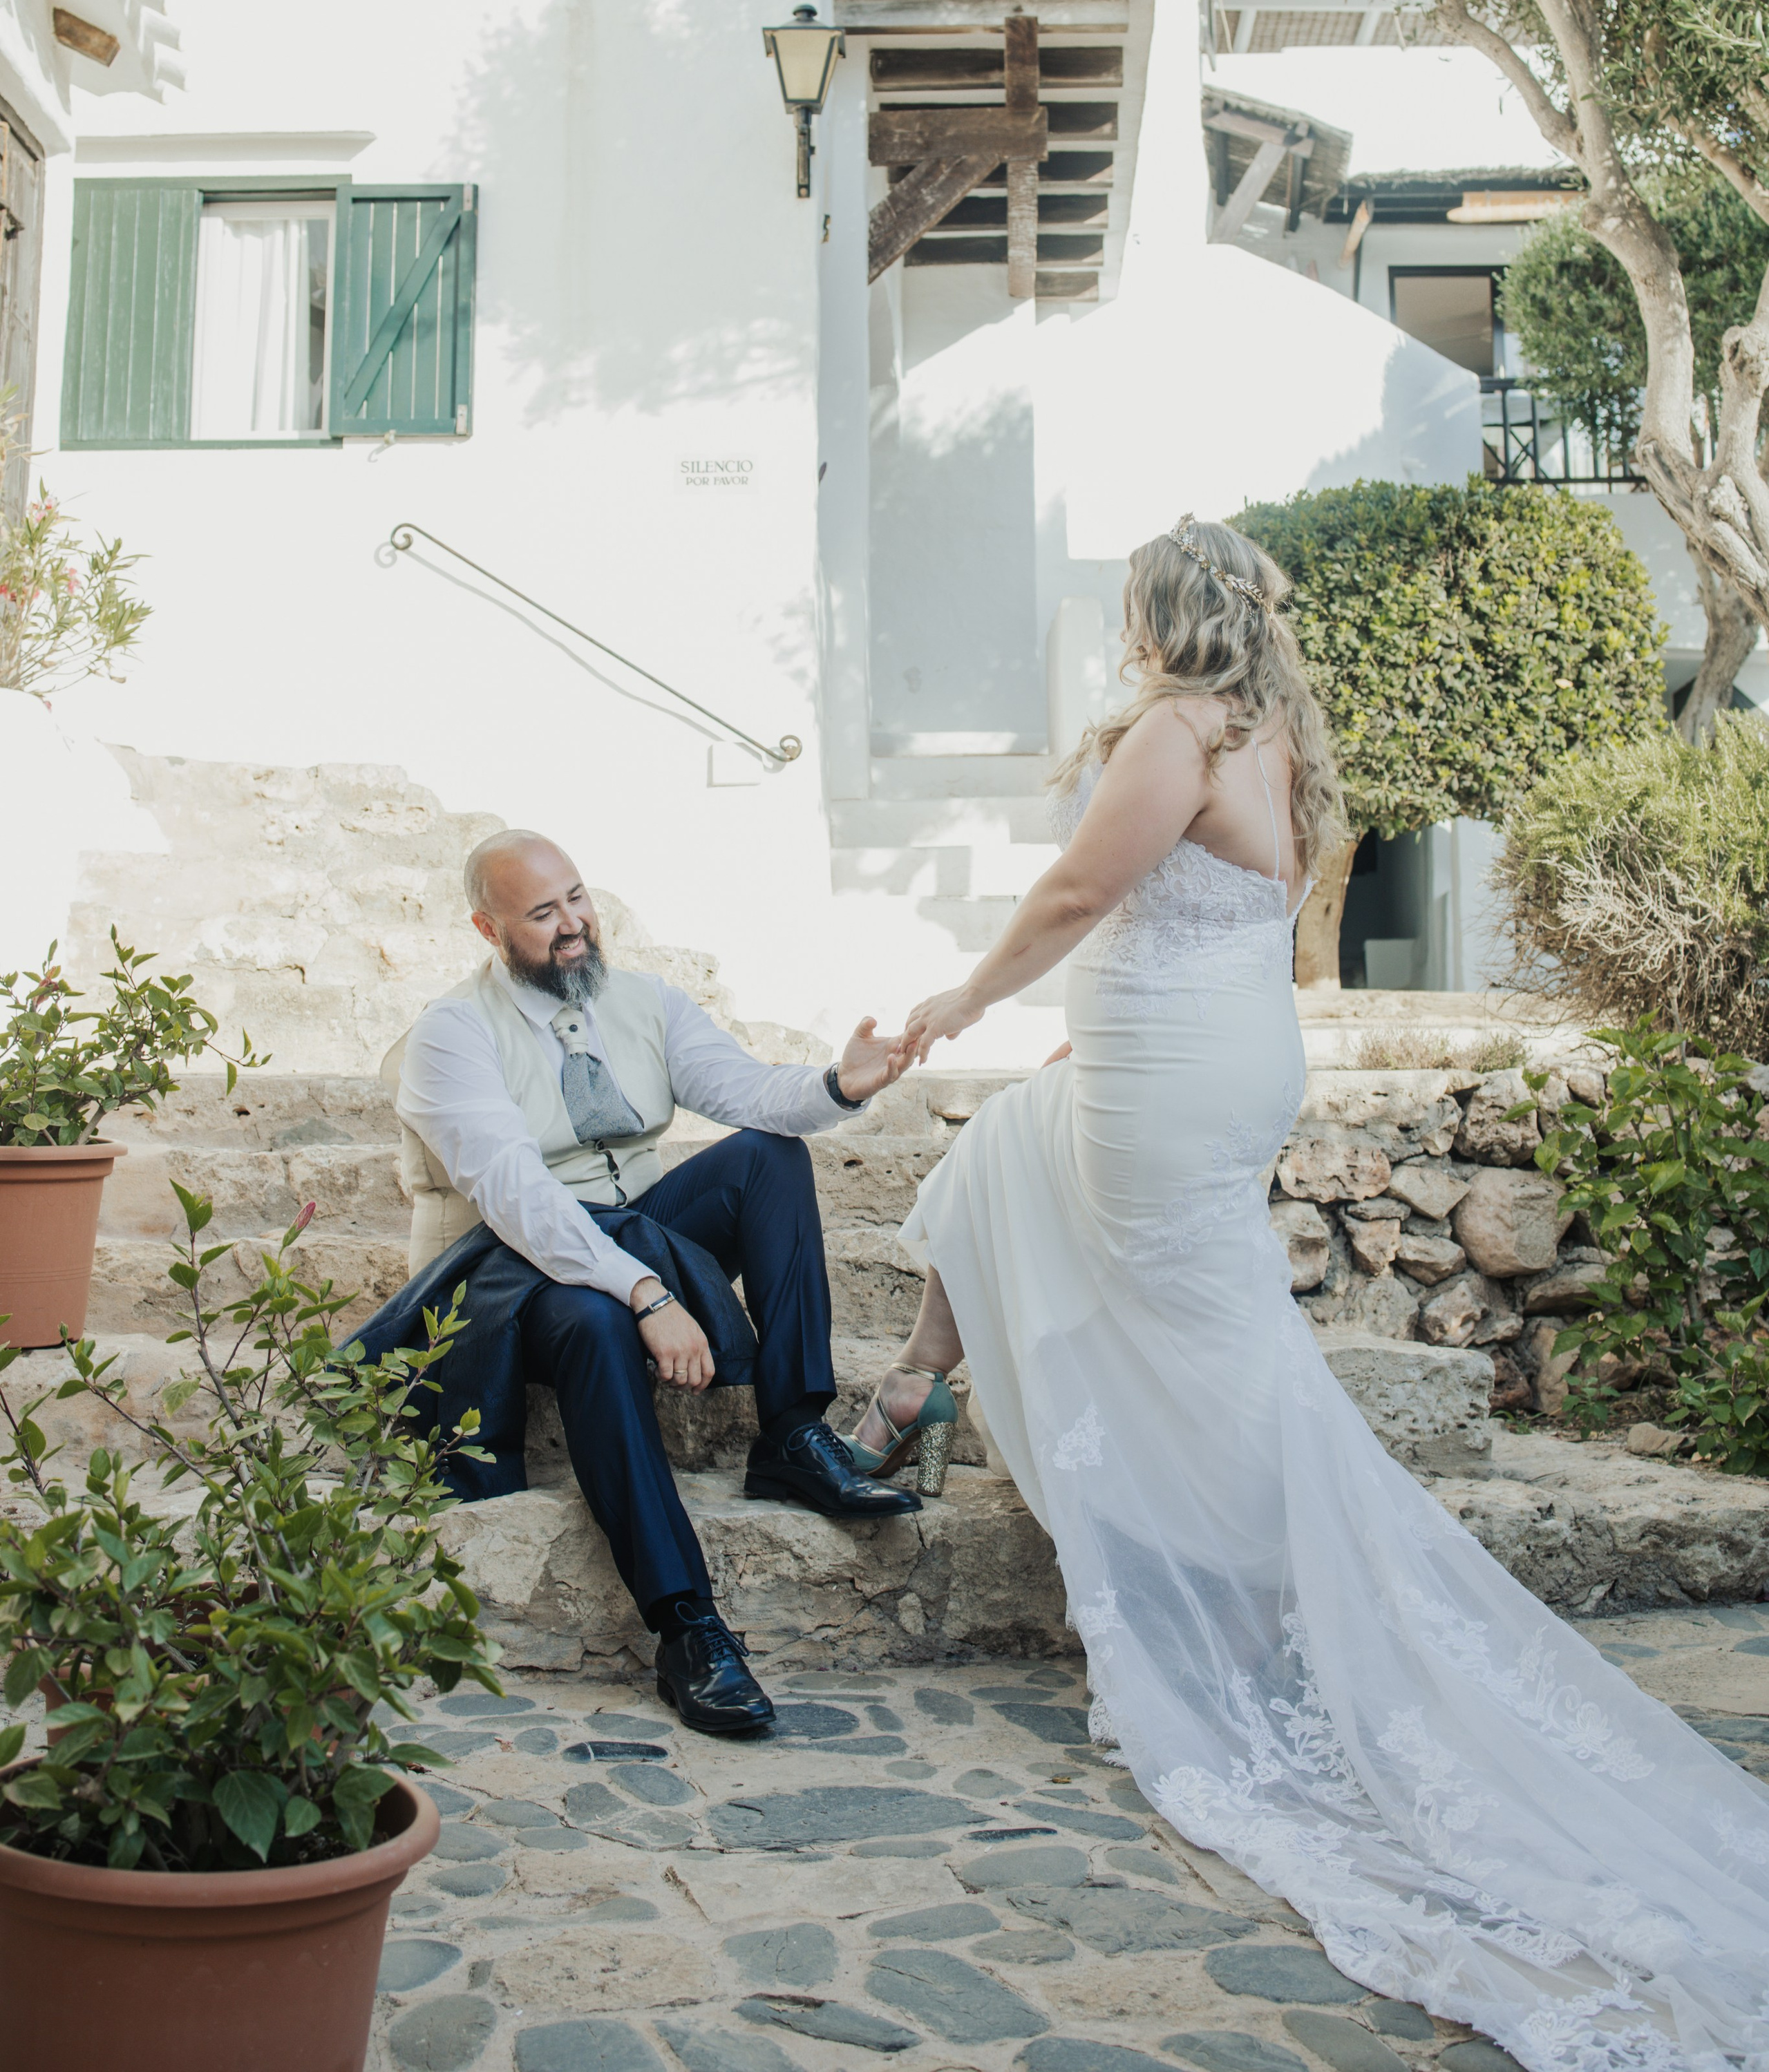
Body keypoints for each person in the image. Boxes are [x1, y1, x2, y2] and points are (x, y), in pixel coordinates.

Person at [846, 516, 1769, 2072]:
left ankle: (1278, 1595)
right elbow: (1200, 921)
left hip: (1176, 1074)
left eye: (1131, 606)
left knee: (1212, 1348)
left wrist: (953, 1000)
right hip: (1193, 1059)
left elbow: (1080, 894)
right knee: (1014, 1149)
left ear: (1158, 613)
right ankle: (914, 1384)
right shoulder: (1265, 725)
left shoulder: (1175, 727)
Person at [353, 831, 921, 1740]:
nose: (574, 925)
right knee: (593, 1316)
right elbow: (520, 1200)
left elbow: (743, 1090)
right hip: (515, 1275)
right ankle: (686, 1623)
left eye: (578, 898)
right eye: (543, 914)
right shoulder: (451, 1035)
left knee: (770, 1158)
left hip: (638, 1229)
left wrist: (838, 1087)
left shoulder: (646, 1001)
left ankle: (791, 1434)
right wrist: (646, 1295)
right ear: (486, 927)